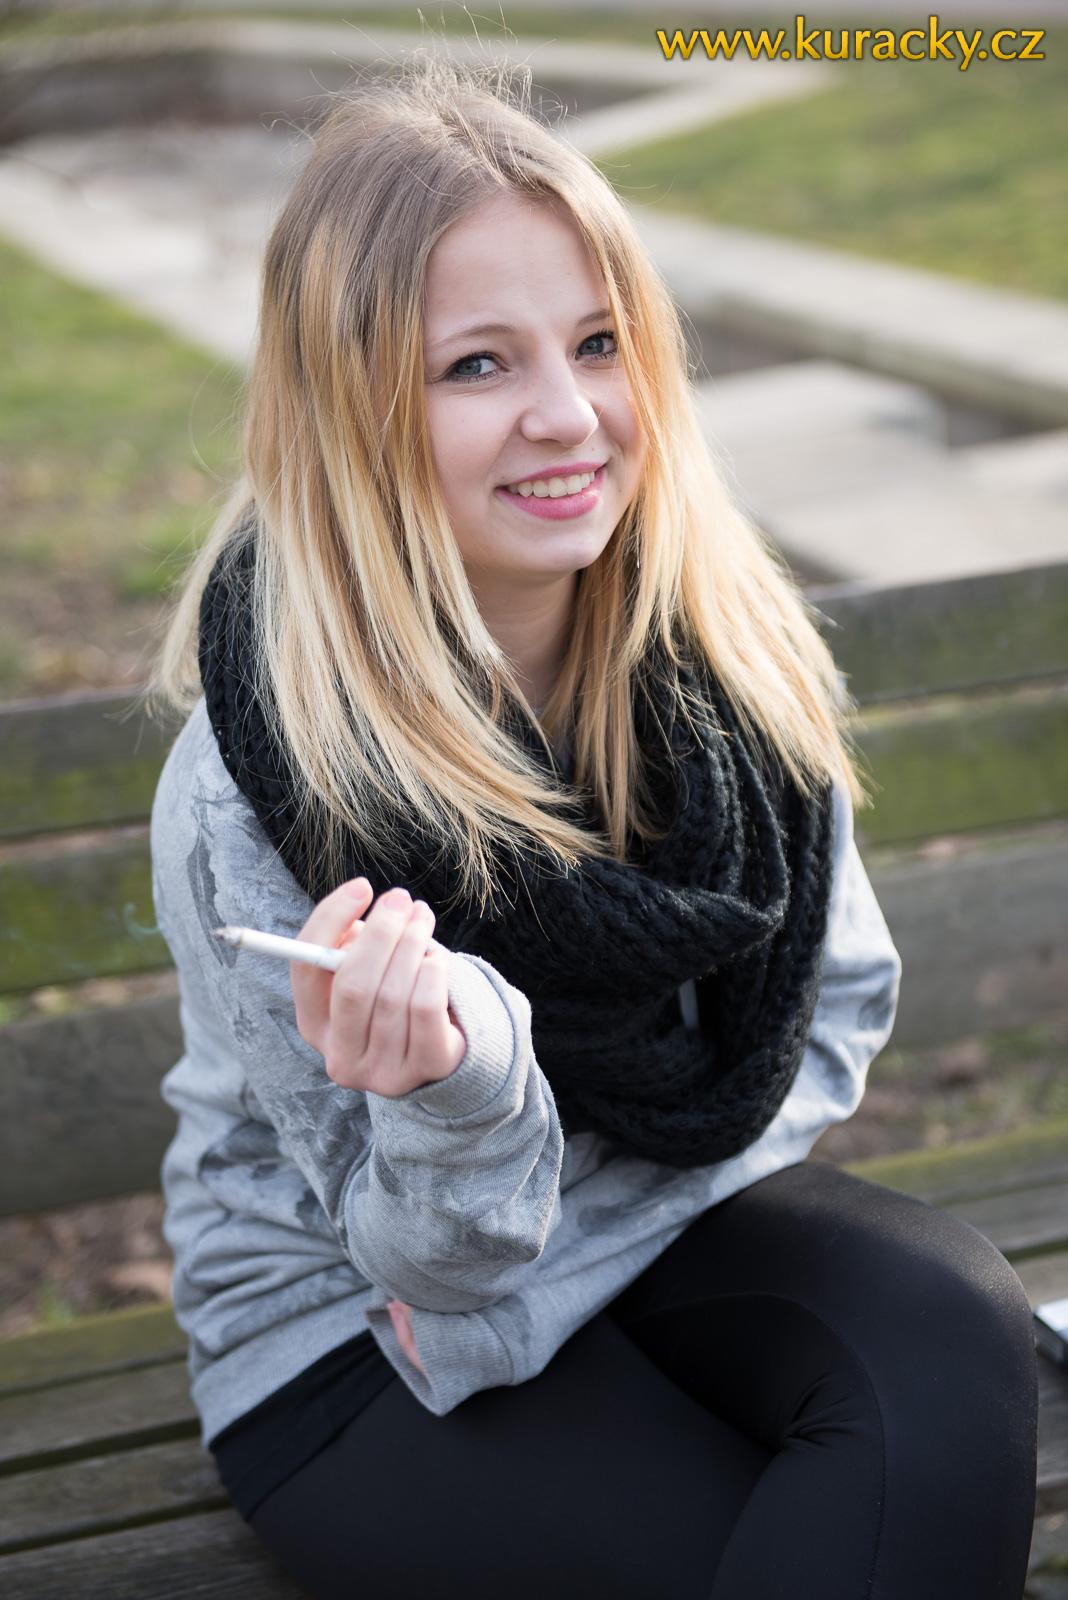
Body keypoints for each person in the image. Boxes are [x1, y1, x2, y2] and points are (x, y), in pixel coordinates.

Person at [143, 52, 1039, 1600]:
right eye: (477, 365)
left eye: (599, 342)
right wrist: (461, 1094)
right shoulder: (271, 769)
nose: (569, 418)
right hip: (359, 1336)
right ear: (354, 407)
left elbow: (829, 1014)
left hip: (659, 1233)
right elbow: (423, 1265)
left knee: (952, 1335)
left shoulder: (724, 645)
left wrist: (599, 1229)